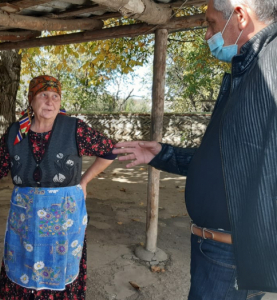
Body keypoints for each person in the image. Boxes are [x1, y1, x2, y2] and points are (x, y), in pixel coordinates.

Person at [113, 0, 277, 299]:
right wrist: (162, 154)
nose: (207, 36)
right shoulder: (248, 74)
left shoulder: (270, 70)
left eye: (212, 24)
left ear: (239, 16)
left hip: (232, 254)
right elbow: (232, 162)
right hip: (226, 252)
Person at [0, 75, 116, 299]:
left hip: (64, 218)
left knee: (60, 267)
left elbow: (109, 151)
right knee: (23, 266)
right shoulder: (16, 133)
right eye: (43, 95)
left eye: (55, 96)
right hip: (25, 219)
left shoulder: (74, 128)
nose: (50, 101)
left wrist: (84, 181)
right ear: (31, 99)